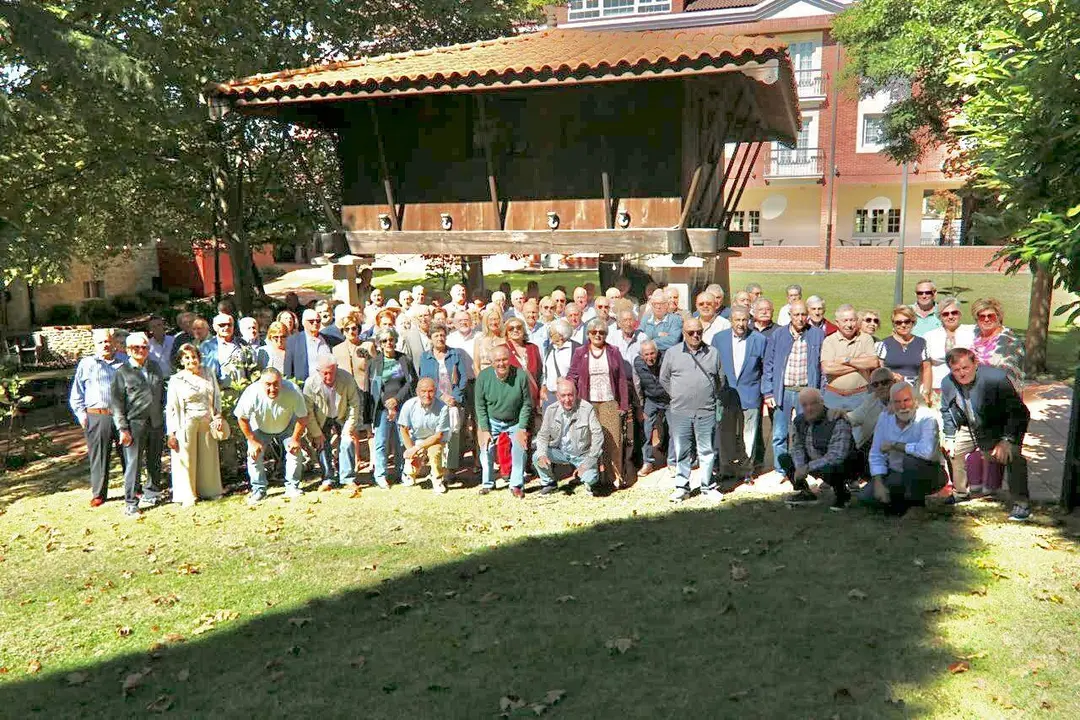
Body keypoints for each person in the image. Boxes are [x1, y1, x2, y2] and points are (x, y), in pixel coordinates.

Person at [940, 347, 1031, 520]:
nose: (961, 373)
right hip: (971, 426)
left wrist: (1006, 440)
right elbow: (946, 410)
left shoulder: (996, 379)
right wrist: (949, 437)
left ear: (976, 364)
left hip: (1001, 426)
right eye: (956, 370)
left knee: (1012, 456)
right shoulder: (947, 383)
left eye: (965, 367)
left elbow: (1018, 412)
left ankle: (1022, 504)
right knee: (952, 450)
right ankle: (960, 493)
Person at [659, 317, 724, 503]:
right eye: (691, 333)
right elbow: (664, 379)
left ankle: (708, 486)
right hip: (680, 412)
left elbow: (720, 380)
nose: (696, 335)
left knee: (706, 451)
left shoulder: (713, 353)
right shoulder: (672, 353)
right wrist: (678, 395)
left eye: (699, 332)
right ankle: (681, 487)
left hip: (706, 411)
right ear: (683, 334)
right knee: (682, 452)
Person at [762, 300, 824, 476]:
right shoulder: (778, 335)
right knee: (779, 434)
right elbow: (769, 364)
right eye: (796, 315)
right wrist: (768, 392)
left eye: (803, 314)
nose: (800, 318)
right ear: (790, 315)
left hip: (806, 391)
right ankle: (781, 470)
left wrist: (820, 393)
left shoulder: (817, 335)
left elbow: (821, 366)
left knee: (807, 433)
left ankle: (806, 468)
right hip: (783, 391)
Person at [566, 318, 629, 489]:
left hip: (609, 402)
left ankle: (613, 477)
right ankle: (591, 478)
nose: (598, 335)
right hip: (587, 403)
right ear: (588, 334)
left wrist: (623, 405)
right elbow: (572, 375)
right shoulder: (580, 352)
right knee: (590, 441)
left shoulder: (613, 351)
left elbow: (622, 379)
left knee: (612, 441)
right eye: (594, 332)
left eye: (601, 332)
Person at [864, 382, 943, 514]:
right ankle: (899, 502)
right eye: (897, 402)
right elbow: (876, 453)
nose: (903, 406)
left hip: (929, 473)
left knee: (910, 460)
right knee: (865, 497)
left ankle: (916, 506)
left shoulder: (927, 418)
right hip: (896, 472)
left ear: (915, 401)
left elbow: (927, 452)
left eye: (906, 400)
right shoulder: (884, 418)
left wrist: (895, 445)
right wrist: (878, 482)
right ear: (891, 404)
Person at [110, 332, 166, 517]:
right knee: (133, 464)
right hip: (134, 424)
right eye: (136, 348)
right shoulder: (122, 372)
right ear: (128, 350)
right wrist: (122, 429)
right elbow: (117, 403)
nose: (141, 350)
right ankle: (131, 503)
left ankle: (152, 492)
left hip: (156, 422)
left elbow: (162, 396)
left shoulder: (155, 367)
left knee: (154, 459)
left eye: (144, 347)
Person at [234, 368, 310, 503]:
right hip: (260, 428)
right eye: (267, 384)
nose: (272, 388)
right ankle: (259, 490)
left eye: (276, 384)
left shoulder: (292, 390)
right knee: (253, 454)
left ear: (282, 382)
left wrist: (295, 439)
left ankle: (292, 487)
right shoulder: (252, 392)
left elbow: (302, 416)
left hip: (286, 426)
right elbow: (242, 418)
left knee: (295, 451)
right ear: (260, 383)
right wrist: (252, 441)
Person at [69, 329, 125, 507]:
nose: (105, 345)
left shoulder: (124, 361)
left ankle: (134, 487)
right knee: (99, 456)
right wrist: (81, 414)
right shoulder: (87, 364)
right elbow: (77, 392)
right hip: (97, 416)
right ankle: (99, 493)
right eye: (101, 342)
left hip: (122, 415)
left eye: (108, 341)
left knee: (128, 454)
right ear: (95, 344)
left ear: (114, 342)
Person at [165, 344, 225, 507]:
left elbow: (217, 396)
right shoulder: (176, 379)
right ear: (181, 360)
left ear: (199, 357)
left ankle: (211, 491)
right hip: (186, 422)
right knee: (186, 458)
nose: (191, 360)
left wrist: (218, 415)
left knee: (209, 456)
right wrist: (171, 433)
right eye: (187, 357)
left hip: (207, 419)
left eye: (194, 356)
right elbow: (171, 407)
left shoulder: (208, 373)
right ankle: (188, 495)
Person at [712, 306, 767, 481]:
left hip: (750, 394)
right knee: (725, 433)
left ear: (749, 321)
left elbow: (766, 369)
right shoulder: (719, 339)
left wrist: (765, 393)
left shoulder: (758, 339)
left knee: (748, 435)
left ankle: (746, 471)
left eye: (744, 320)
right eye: (737, 320)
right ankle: (726, 469)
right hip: (726, 395)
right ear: (731, 321)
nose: (741, 324)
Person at [777, 389, 855, 509]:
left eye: (813, 403)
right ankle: (805, 493)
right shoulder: (798, 421)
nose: (809, 408)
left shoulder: (836, 421)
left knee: (835, 465)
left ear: (822, 402)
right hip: (813, 462)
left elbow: (837, 455)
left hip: (841, 465)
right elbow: (797, 447)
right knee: (784, 458)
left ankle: (842, 495)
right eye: (804, 405)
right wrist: (799, 467)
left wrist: (807, 467)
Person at [475, 345, 532, 497]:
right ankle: (487, 483)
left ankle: (516, 485)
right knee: (485, 447)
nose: (501, 364)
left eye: (505, 359)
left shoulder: (520, 375)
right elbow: (480, 406)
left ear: (510, 359)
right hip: (492, 419)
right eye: (497, 360)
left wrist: (522, 428)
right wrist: (485, 429)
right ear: (491, 362)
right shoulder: (483, 377)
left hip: (514, 420)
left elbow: (527, 404)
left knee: (520, 447)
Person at [533, 378, 604, 495]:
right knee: (537, 456)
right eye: (563, 396)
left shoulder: (587, 408)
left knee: (591, 478)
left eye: (570, 395)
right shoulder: (551, 410)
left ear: (576, 395)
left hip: (582, 455)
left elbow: (598, 436)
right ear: (557, 396)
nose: (567, 399)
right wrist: (542, 454)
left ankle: (588, 482)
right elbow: (542, 435)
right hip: (561, 452)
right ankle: (549, 483)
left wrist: (588, 463)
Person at [304, 354, 363, 491]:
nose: (329, 377)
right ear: (318, 371)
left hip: (341, 415)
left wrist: (349, 428)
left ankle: (347, 478)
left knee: (347, 441)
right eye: (325, 373)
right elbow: (309, 413)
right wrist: (317, 433)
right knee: (321, 443)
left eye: (332, 373)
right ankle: (327, 479)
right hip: (321, 417)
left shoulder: (347, 379)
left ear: (337, 368)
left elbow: (354, 405)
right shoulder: (310, 384)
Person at [368, 328, 417, 488]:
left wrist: (396, 400)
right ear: (379, 344)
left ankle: (403, 471)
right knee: (381, 442)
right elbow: (372, 388)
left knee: (401, 441)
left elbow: (411, 382)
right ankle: (381, 475)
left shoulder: (404, 359)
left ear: (395, 341)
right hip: (381, 408)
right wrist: (387, 404)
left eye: (391, 340)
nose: (388, 343)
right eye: (384, 341)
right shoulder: (374, 363)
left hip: (402, 405)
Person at [419, 322, 468, 474]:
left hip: (454, 402)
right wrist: (440, 397)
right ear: (430, 338)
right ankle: (437, 468)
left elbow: (463, 379)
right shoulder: (425, 357)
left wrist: (454, 398)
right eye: (436, 335)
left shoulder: (455, 354)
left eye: (442, 335)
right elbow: (424, 379)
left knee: (454, 435)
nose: (440, 338)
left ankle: (451, 469)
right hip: (435, 402)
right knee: (438, 434)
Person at [820, 303, 879, 412]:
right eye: (845, 321)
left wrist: (846, 360)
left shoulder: (866, 339)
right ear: (837, 323)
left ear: (857, 321)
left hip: (860, 395)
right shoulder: (829, 341)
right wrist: (859, 365)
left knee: (859, 428)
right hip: (834, 396)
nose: (849, 325)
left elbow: (873, 363)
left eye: (852, 320)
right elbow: (828, 369)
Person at [398, 377, 451, 493]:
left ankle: (437, 479)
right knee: (412, 458)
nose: (427, 395)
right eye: (423, 391)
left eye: (430, 391)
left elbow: (439, 435)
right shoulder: (409, 405)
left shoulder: (443, 408)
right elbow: (403, 429)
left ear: (436, 391)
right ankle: (409, 474)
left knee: (435, 451)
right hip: (415, 440)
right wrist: (412, 450)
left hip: (434, 440)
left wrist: (418, 448)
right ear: (417, 392)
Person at [875, 305, 932, 405]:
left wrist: (926, 392)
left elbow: (927, 368)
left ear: (913, 322)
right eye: (898, 322)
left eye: (907, 321)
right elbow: (878, 368)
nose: (903, 325)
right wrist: (890, 376)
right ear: (894, 324)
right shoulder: (884, 344)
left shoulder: (921, 343)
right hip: (889, 393)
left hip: (912, 393)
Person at [635, 339, 675, 475]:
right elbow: (637, 385)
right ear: (641, 356)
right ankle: (648, 462)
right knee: (646, 430)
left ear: (657, 353)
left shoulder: (666, 360)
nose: (649, 357)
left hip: (669, 398)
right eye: (646, 355)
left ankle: (672, 461)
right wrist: (640, 406)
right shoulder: (638, 363)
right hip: (651, 399)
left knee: (674, 430)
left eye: (652, 354)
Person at [841, 367, 896, 463]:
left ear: (894, 382)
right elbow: (853, 418)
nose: (880, 387)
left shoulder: (905, 399)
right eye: (875, 384)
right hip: (868, 450)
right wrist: (839, 414)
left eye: (885, 382)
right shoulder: (872, 400)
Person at [924, 297, 976, 395]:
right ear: (940, 317)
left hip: (968, 387)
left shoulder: (972, 331)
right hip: (938, 388)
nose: (950, 316)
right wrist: (927, 390)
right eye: (945, 314)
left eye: (954, 313)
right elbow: (926, 367)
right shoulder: (929, 336)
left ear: (960, 314)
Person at [970, 297, 1024, 390]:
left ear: (998, 317)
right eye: (982, 316)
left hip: (1000, 390)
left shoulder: (1008, 340)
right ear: (977, 319)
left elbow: (1005, 371)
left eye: (990, 316)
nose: (986, 319)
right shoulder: (975, 334)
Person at [201, 314, 255, 386]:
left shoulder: (242, 343)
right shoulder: (207, 346)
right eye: (222, 325)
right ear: (214, 327)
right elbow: (205, 373)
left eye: (229, 324)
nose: (226, 327)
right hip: (222, 392)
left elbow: (252, 367)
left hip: (243, 390)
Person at [285, 309, 333, 383]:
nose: (315, 323)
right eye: (311, 321)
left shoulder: (328, 340)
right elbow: (288, 369)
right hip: (304, 387)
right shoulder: (293, 341)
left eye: (318, 321)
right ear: (304, 322)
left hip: (327, 386)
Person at [504, 317, 543, 410]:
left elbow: (540, 374)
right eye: (511, 328)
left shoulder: (533, 348)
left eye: (518, 327)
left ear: (523, 330)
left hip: (532, 400)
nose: (515, 330)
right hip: (511, 401)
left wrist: (541, 395)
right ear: (506, 333)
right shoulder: (503, 349)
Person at [541, 319, 578, 409]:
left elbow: (580, 373)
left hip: (568, 397)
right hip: (551, 397)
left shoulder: (576, 349)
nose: (550, 334)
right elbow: (545, 372)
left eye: (552, 332)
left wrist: (567, 381)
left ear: (561, 334)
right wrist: (543, 387)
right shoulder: (550, 348)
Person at [474, 307, 506, 378]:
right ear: (486, 321)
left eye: (496, 319)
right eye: (490, 319)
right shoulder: (479, 340)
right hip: (484, 379)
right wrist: (482, 382)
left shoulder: (505, 339)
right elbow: (476, 365)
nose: (493, 322)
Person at [401, 304, 433, 373]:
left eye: (426, 315)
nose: (423, 319)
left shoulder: (437, 334)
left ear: (431, 316)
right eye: (420, 316)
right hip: (418, 378)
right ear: (415, 319)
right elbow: (406, 361)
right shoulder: (409, 337)